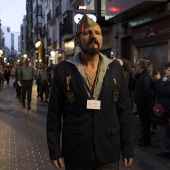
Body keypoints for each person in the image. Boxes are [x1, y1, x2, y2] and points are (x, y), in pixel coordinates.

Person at [46, 14, 133, 170]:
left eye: (97, 33)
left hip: (108, 151)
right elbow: (54, 114)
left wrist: (127, 147)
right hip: (76, 151)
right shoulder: (63, 70)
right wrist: (54, 150)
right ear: (78, 40)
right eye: (87, 33)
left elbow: (124, 111)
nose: (93, 36)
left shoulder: (115, 69)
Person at [134, 59, 154, 146]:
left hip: (144, 104)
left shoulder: (145, 77)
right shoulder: (142, 76)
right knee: (143, 122)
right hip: (142, 103)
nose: (136, 67)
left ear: (141, 67)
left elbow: (148, 91)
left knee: (145, 122)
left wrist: (149, 101)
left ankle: (147, 140)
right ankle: (145, 137)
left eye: (137, 65)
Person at [153, 62, 170, 158]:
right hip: (163, 111)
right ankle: (166, 149)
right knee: (164, 132)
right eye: (166, 69)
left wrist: (159, 81)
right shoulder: (166, 80)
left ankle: (168, 151)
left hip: (167, 112)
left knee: (166, 132)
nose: (166, 71)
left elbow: (165, 91)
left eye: (168, 70)